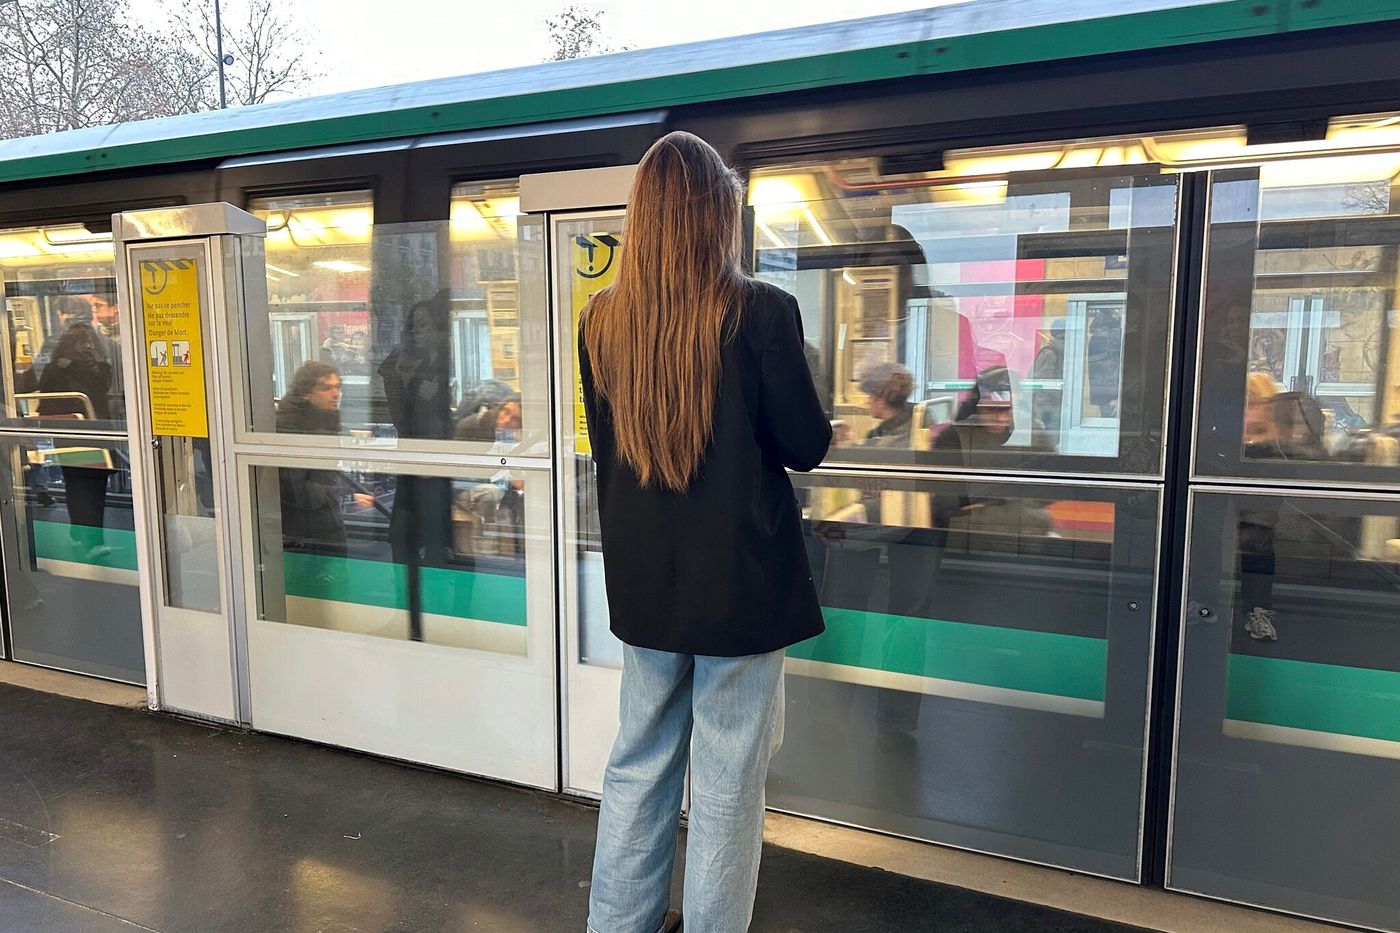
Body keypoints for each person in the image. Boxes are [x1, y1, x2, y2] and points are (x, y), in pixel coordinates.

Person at [580, 131, 830, 933]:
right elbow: (804, 444)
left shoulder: (602, 321)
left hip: (648, 582)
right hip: (743, 586)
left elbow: (609, 448)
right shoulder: (761, 312)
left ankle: (619, 923)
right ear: (717, 215)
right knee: (727, 776)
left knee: (637, 761)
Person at [276, 362, 355, 556]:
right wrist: (346, 492)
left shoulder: (325, 420)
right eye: (326, 388)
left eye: (338, 387)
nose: (335, 394)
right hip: (303, 528)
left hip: (324, 518)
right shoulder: (291, 427)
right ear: (305, 392)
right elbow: (296, 488)